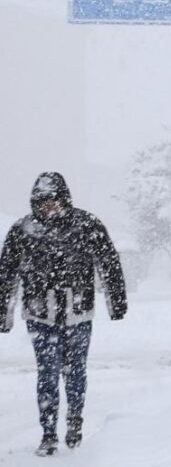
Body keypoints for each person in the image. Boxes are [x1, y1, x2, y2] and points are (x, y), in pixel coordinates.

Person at [0, 172, 128, 456]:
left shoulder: (86, 225)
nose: (50, 207)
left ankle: (74, 423)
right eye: (44, 202)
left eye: (55, 201)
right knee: (47, 374)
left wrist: (116, 302)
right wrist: (3, 313)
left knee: (75, 372)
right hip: (39, 316)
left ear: (64, 199)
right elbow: (6, 274)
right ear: (36, 203)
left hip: (78, 313)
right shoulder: (23, 230)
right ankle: (48, 434)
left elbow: (109, 263)